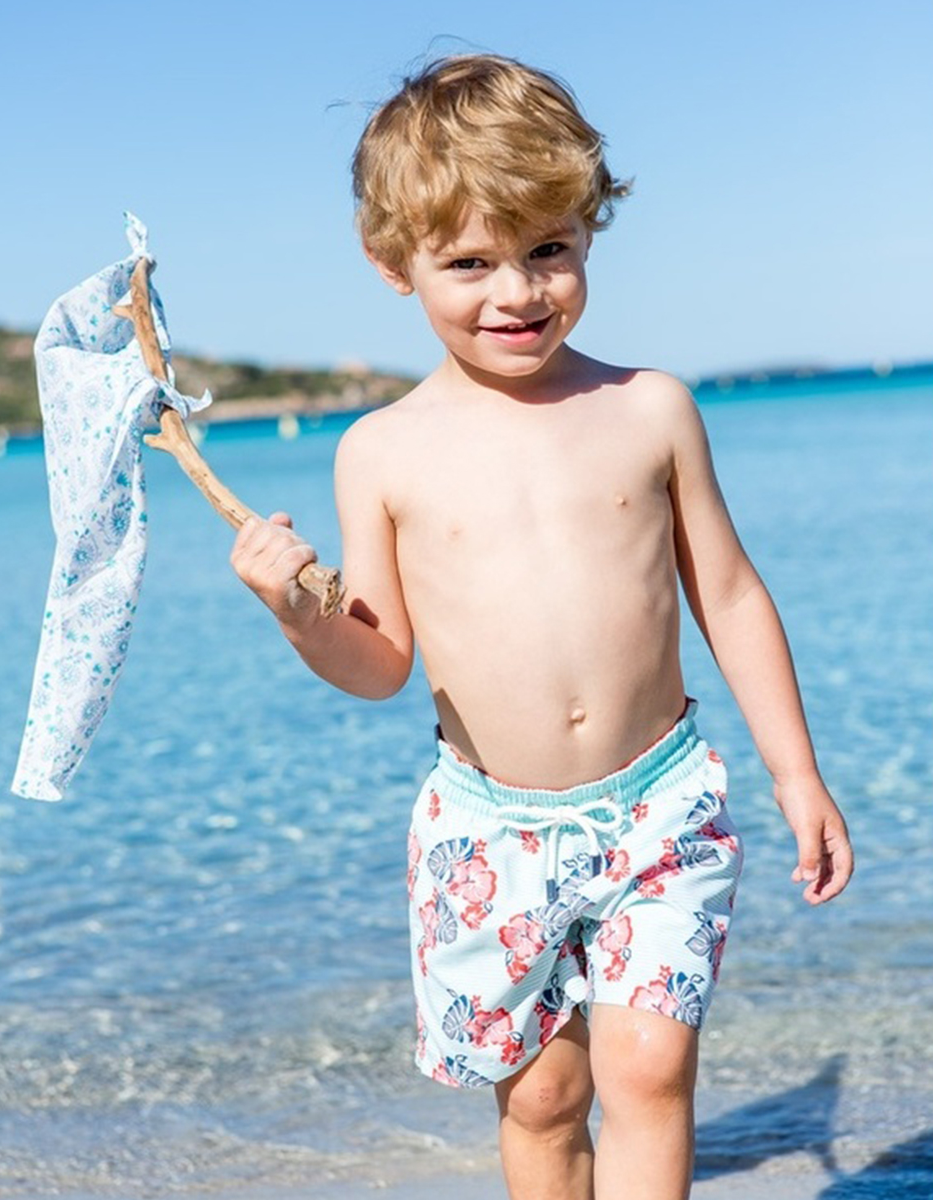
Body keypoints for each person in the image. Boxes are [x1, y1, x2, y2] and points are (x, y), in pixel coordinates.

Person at [230, 53, 853, 1200]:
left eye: (548, 250)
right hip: (490, 831)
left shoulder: (648, 408)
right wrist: (293, 608)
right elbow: (378, 663)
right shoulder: (382, 452)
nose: (515, 292)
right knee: (544, 1093)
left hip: (659, 801)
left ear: (588, 232)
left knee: (650, 1065)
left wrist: (795, 771)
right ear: (391, 264)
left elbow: (728, 594)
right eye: (468, 263)